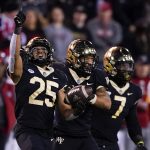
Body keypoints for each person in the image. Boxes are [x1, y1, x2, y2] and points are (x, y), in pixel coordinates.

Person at [8, 11, 69, 150]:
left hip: (49, 130)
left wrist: (78, 105)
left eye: (43, 50)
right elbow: (13, 56)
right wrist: (17, 30)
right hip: (27, 129)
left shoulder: (59, 75)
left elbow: (65, 110)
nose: (40, 52)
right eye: (36, 50)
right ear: (29, 52)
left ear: (49, 53)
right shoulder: (23, 71)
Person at [53, 39, 111, 150]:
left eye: (91, 58)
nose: (89, 62)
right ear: (73, 57)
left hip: (85, 134)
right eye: (85, 58)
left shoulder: (97, 74)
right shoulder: (60, 71)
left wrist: (90, 97)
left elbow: (107, 103)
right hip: (62, 133)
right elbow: (66, 114)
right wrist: (77, 110)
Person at [91, 46, 147, 150]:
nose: (127, 70)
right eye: (123, 66)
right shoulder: (100, 82)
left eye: (129, 66)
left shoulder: (134, 91)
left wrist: (139, 141)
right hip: (90, 139)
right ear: (110, 66)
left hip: (111, 142)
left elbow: (132, 119)